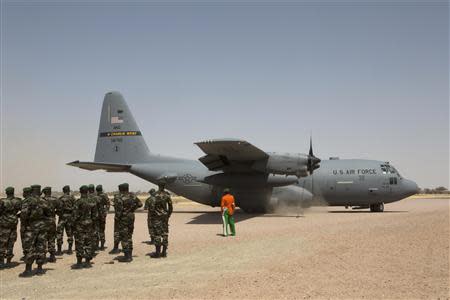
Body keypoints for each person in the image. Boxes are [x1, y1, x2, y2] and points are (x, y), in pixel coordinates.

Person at [20, 185, 51, 277]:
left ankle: (28, 269)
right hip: (42, 227)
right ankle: (40, 268)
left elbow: (24, 215)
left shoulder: (28, 201)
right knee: (41, 246)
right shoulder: (44, 201)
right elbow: (49, 214)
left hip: (31, 227)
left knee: (29, 247)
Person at [115, 183, 142, 262]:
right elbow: (140, 204)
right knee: (129, 236)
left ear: (121, 189)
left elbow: (119, 211)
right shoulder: (132, 196)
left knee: (124, 237)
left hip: (123, 219)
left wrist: (117, 218)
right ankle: (129, 254)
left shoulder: (120, 197)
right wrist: (132, 209)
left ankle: (127, 257)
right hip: (131, 217)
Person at [72, 185, 97, 269]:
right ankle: (87, 262)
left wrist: (73, 224)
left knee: (79, 242)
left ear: (80, 191)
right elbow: (95, 215)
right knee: (88, 242)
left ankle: (79, 262)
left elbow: (75, 215)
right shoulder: (92, 201)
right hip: (89, 224)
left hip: (80, 224)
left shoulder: (78, 202)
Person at [0, 186, 22, 268]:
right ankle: (9, 261)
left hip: (3, 224)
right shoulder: (18, 201)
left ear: (6, 192)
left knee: (2, 242)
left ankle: (1, 261)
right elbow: (24, 210)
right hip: (13, 223)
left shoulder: (2, 201)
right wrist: (17, 216)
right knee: (11, 242)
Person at [150, 182, 173, 258]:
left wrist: (152, 216)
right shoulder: (167, 195)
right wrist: (168, 215)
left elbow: (152, 207)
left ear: (158, 186)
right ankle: (164, 252)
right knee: (165, 233)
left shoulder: (154, 195)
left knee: (157, 234)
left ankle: (157, 253)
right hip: (165, 217)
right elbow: (170, 207)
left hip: (157, 217)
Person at [56, 185, 75, 255]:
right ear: (69, 190)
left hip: (62, 217)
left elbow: (58, 210)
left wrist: (60, 214)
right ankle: (70, 250)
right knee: (70, 233)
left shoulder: (60, 199)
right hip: (70, 217)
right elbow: (75, 208)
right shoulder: (72, 198)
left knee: (59, 234)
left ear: (63, 191)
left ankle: (59, 250)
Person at [42, 187, 59, 262]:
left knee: (43, 238)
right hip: (52, 220)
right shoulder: (55, 199)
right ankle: (52, 255)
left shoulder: (41, 200)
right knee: (52, 238)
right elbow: (61, 208)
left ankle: (43, 255)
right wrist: (55, 213)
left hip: (43, 221)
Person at [95, 185, 110, 250]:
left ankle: (96, 245)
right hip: (102, 215)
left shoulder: (94, 196)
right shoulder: (104, 195)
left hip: (96, 215)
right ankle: (102, 246)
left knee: (96, 230)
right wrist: (106, 211)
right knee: (102, 230)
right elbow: (108, 204)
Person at [20, 187, 32, 261]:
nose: (23, 194)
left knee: (26, 240)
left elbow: (24, 214)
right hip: (35, 224)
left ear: (26, 193)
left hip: (27, 224)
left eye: (24, 192)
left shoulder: (26, 201)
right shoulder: (35, 200)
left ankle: (27, 255)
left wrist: (23, 225)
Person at [88, 184, 100, 253]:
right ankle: (96, 246)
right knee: (96, 231)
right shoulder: (97, 197)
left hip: (89, 217)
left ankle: (91, 247)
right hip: (96, 217)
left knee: (90, 232)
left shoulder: (87, 197)